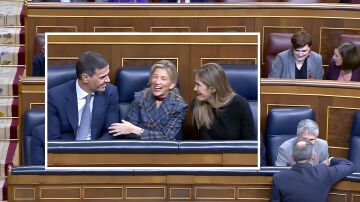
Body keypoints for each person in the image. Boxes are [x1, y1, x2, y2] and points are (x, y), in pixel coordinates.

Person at [108, 60, 188, 140]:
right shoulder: (139, 98)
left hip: (166, 150)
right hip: (139, 147)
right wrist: (135, 131)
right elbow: (128, 132)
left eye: (163, 78)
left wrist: (137, 130)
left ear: (172, 84)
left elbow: (167, 137)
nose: (157, 82)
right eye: (155, 76)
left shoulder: (179, 106)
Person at [48, 51, 119, 140]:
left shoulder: (110, 92)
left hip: (97, 148)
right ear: (85, 78)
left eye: (107, 75)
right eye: (102, 77)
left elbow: (111, 131)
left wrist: (95, 151)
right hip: (66, 150)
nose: (108, 80)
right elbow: (53, 138)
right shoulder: (55, 96)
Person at [271, 140, 354, 202]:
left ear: (292, 157)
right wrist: (331, 160)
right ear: (313, 157)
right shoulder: (324, 172)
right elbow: (349, 165)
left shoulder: (279, 178)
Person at [192, 63, 255, 140]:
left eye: (198, 85)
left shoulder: (240, 104)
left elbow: (250, 143)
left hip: (237, 152)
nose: (195, 89)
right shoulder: (197, 105)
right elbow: (204, 143)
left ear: (213, 88)